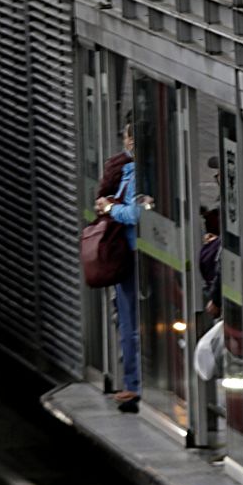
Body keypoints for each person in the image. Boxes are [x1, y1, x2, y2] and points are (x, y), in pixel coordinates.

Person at [94, 122, 153, 413]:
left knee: (130, 324)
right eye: (127, 136)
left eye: (130, 136)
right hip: (130, 254)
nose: (128, 142)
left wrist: (108, 209)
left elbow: (134, 214)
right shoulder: (130, 170)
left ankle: (134, 385)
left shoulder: (140, 174)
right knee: (128, 321)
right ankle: (134, 382)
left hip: (133, 255)